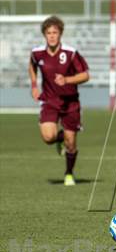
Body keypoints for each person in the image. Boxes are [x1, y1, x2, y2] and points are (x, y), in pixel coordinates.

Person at [28, 16, 90, 186]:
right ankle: (59, 137)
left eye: (55, 32)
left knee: (71, 144)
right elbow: (32, 66)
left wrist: (67, 80)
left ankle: (69, 173)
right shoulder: (37, 53)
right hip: (49, 100)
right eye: (49, 33)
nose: (52, 36)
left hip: (70, 103)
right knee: (48, 137)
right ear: (44, 35)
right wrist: (34, 85)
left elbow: (85, 75)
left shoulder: (71, 53)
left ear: (60, 33)